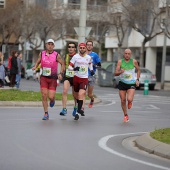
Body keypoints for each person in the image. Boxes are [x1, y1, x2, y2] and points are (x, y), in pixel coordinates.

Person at [32, 39, 65, 120]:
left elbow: (63, 63)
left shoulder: (57, 55)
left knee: (51, 96)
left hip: (53, 78)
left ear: (53, 46)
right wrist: (35, 66)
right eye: (48, 44)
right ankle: (46, 113)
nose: (50, 46)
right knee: (44, 95)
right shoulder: (42, 53)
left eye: (51, 44)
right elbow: (38, 61)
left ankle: (52, 100)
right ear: (46, 45)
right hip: (43, 78)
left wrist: (60, 73)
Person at [68, 42, 94, 120]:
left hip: (84, 78)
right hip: (76, 78)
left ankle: (78, 112)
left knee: (81, 94)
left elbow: (90, 64)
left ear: (86, 49)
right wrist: (74, 69)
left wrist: (91, 70)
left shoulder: (88, 57)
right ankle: (78, 110)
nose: (82, 49)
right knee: (76, 96)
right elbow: (69, 67)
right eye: (81, 48)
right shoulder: (75, 57)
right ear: (79, 49)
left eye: (84, 48)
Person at [114, 49, 140, 122]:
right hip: (122, 82)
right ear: (124, 54)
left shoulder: (134, 61)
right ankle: (125, 115)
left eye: (128, 54)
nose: (127, 55)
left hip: (131, 83)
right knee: (122, 100)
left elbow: (138, 70)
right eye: (126, 53)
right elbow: (115, 73)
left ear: (130, 54)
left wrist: (137, 79)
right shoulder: (120, 62)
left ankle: (130, 102)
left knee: (129, 99)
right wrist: (120, 72)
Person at [60, 42, 77, 116]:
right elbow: (63, 65)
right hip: (67, 76)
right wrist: (60, 73)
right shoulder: (66, 56)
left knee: (75, 94)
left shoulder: (77, 56)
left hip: (75, 76)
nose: (71, 48)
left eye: (72, 47)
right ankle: (64, 109)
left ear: (75, 48)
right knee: (64, 91)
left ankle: (75, 108)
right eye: (69, 47)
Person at [83, 40, 101, 110]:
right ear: (86, 46)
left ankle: (92, 99)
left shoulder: (95, 55)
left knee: (89, 94)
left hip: (91, 76)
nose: (89, 46)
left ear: (92, 46)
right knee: (83, 92)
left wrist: (93, 65)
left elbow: (99, 65)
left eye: (90, 45)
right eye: (88, 45)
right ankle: (82, 107)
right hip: (83, 75)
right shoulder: (83, 55)